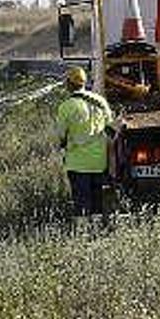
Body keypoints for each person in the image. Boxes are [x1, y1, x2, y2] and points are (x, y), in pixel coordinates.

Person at [56, 66, 115, 217]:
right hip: (99, 162)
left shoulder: (66, 107)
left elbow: (60, 136)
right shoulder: (100, 101)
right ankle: (98, 234)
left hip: (77, 164)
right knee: (98, 203)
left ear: (68, 84)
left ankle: (84, 233)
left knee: (82, 204)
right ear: (84, 82)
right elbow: (110, 127)